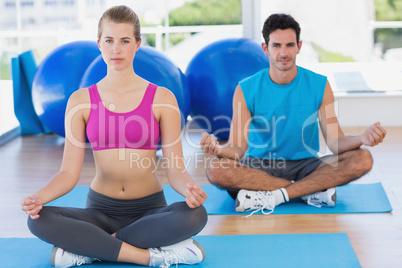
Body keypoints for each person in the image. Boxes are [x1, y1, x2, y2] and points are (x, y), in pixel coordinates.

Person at [21, 5, 207, 268]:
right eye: (109, 40)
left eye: (124, 41)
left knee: (195, 215)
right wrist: (39, 198)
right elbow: (68, 173)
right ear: (99, 43)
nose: (116, 49)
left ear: (138, 44)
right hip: (99, 211)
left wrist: (190, 191)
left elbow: (175, 169)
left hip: (150, 210)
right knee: (38, 219)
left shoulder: (163, 98)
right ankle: (149, 256)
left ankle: (90, 248)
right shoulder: (80, 101)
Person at [200, 13, 387, 216]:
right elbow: (238, 149)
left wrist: (362, 138)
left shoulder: (320, 85)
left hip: (307, 165)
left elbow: (336, 142)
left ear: (299, 46)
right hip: (260, 166)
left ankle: (274, 195)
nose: (284, 52)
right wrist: (218, 149)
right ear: (266, 48)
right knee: (216, 169)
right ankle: (309, 192)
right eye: (276, 45)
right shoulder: (245, 89)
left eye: (289, 45)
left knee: (363, 159)